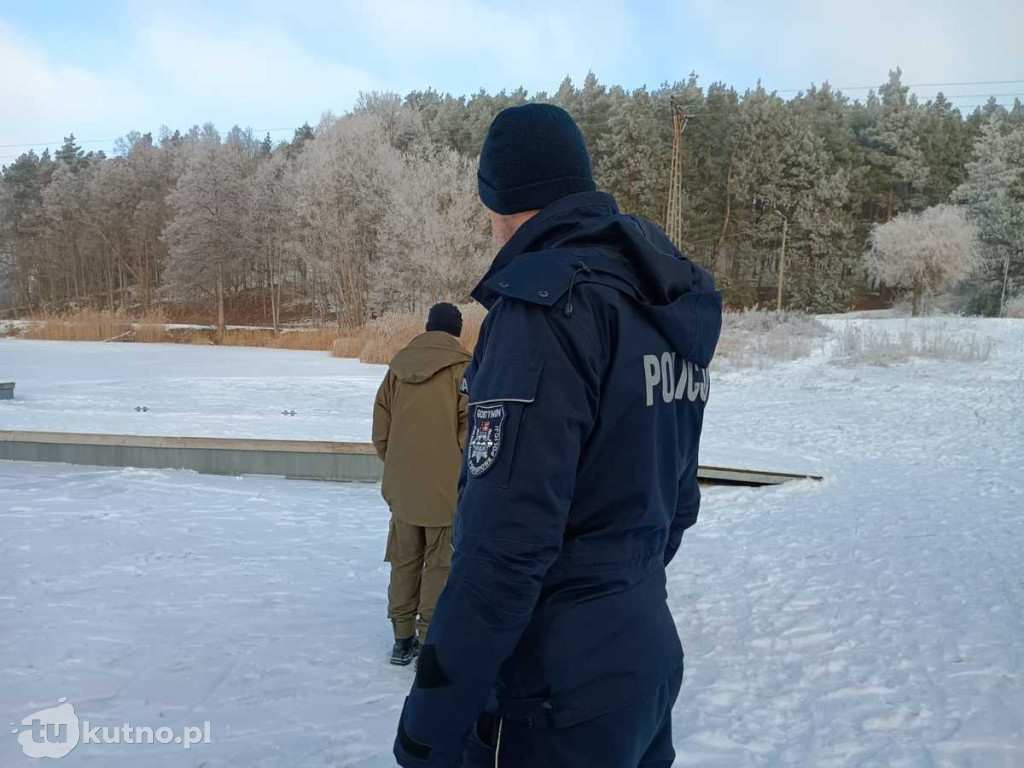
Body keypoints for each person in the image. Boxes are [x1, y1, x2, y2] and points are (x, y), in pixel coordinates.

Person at [392, 104, 722, 767]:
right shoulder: (656, 297)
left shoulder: (545, 308)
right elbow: (678, 505)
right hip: (645, 657)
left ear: (497, 203)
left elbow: (503, 549)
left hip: (553, 695)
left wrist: (431, 719)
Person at [372, 302, 471, 666]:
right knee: (440, 566)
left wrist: (399, 465)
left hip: (403, 487)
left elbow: (381, 430)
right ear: (457, 331)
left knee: (404, 561)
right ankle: (429, 641)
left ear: (428, 327)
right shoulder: (464, 369)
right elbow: (470, 429)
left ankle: (401, 640)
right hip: (446, 489)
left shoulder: (396, 370)